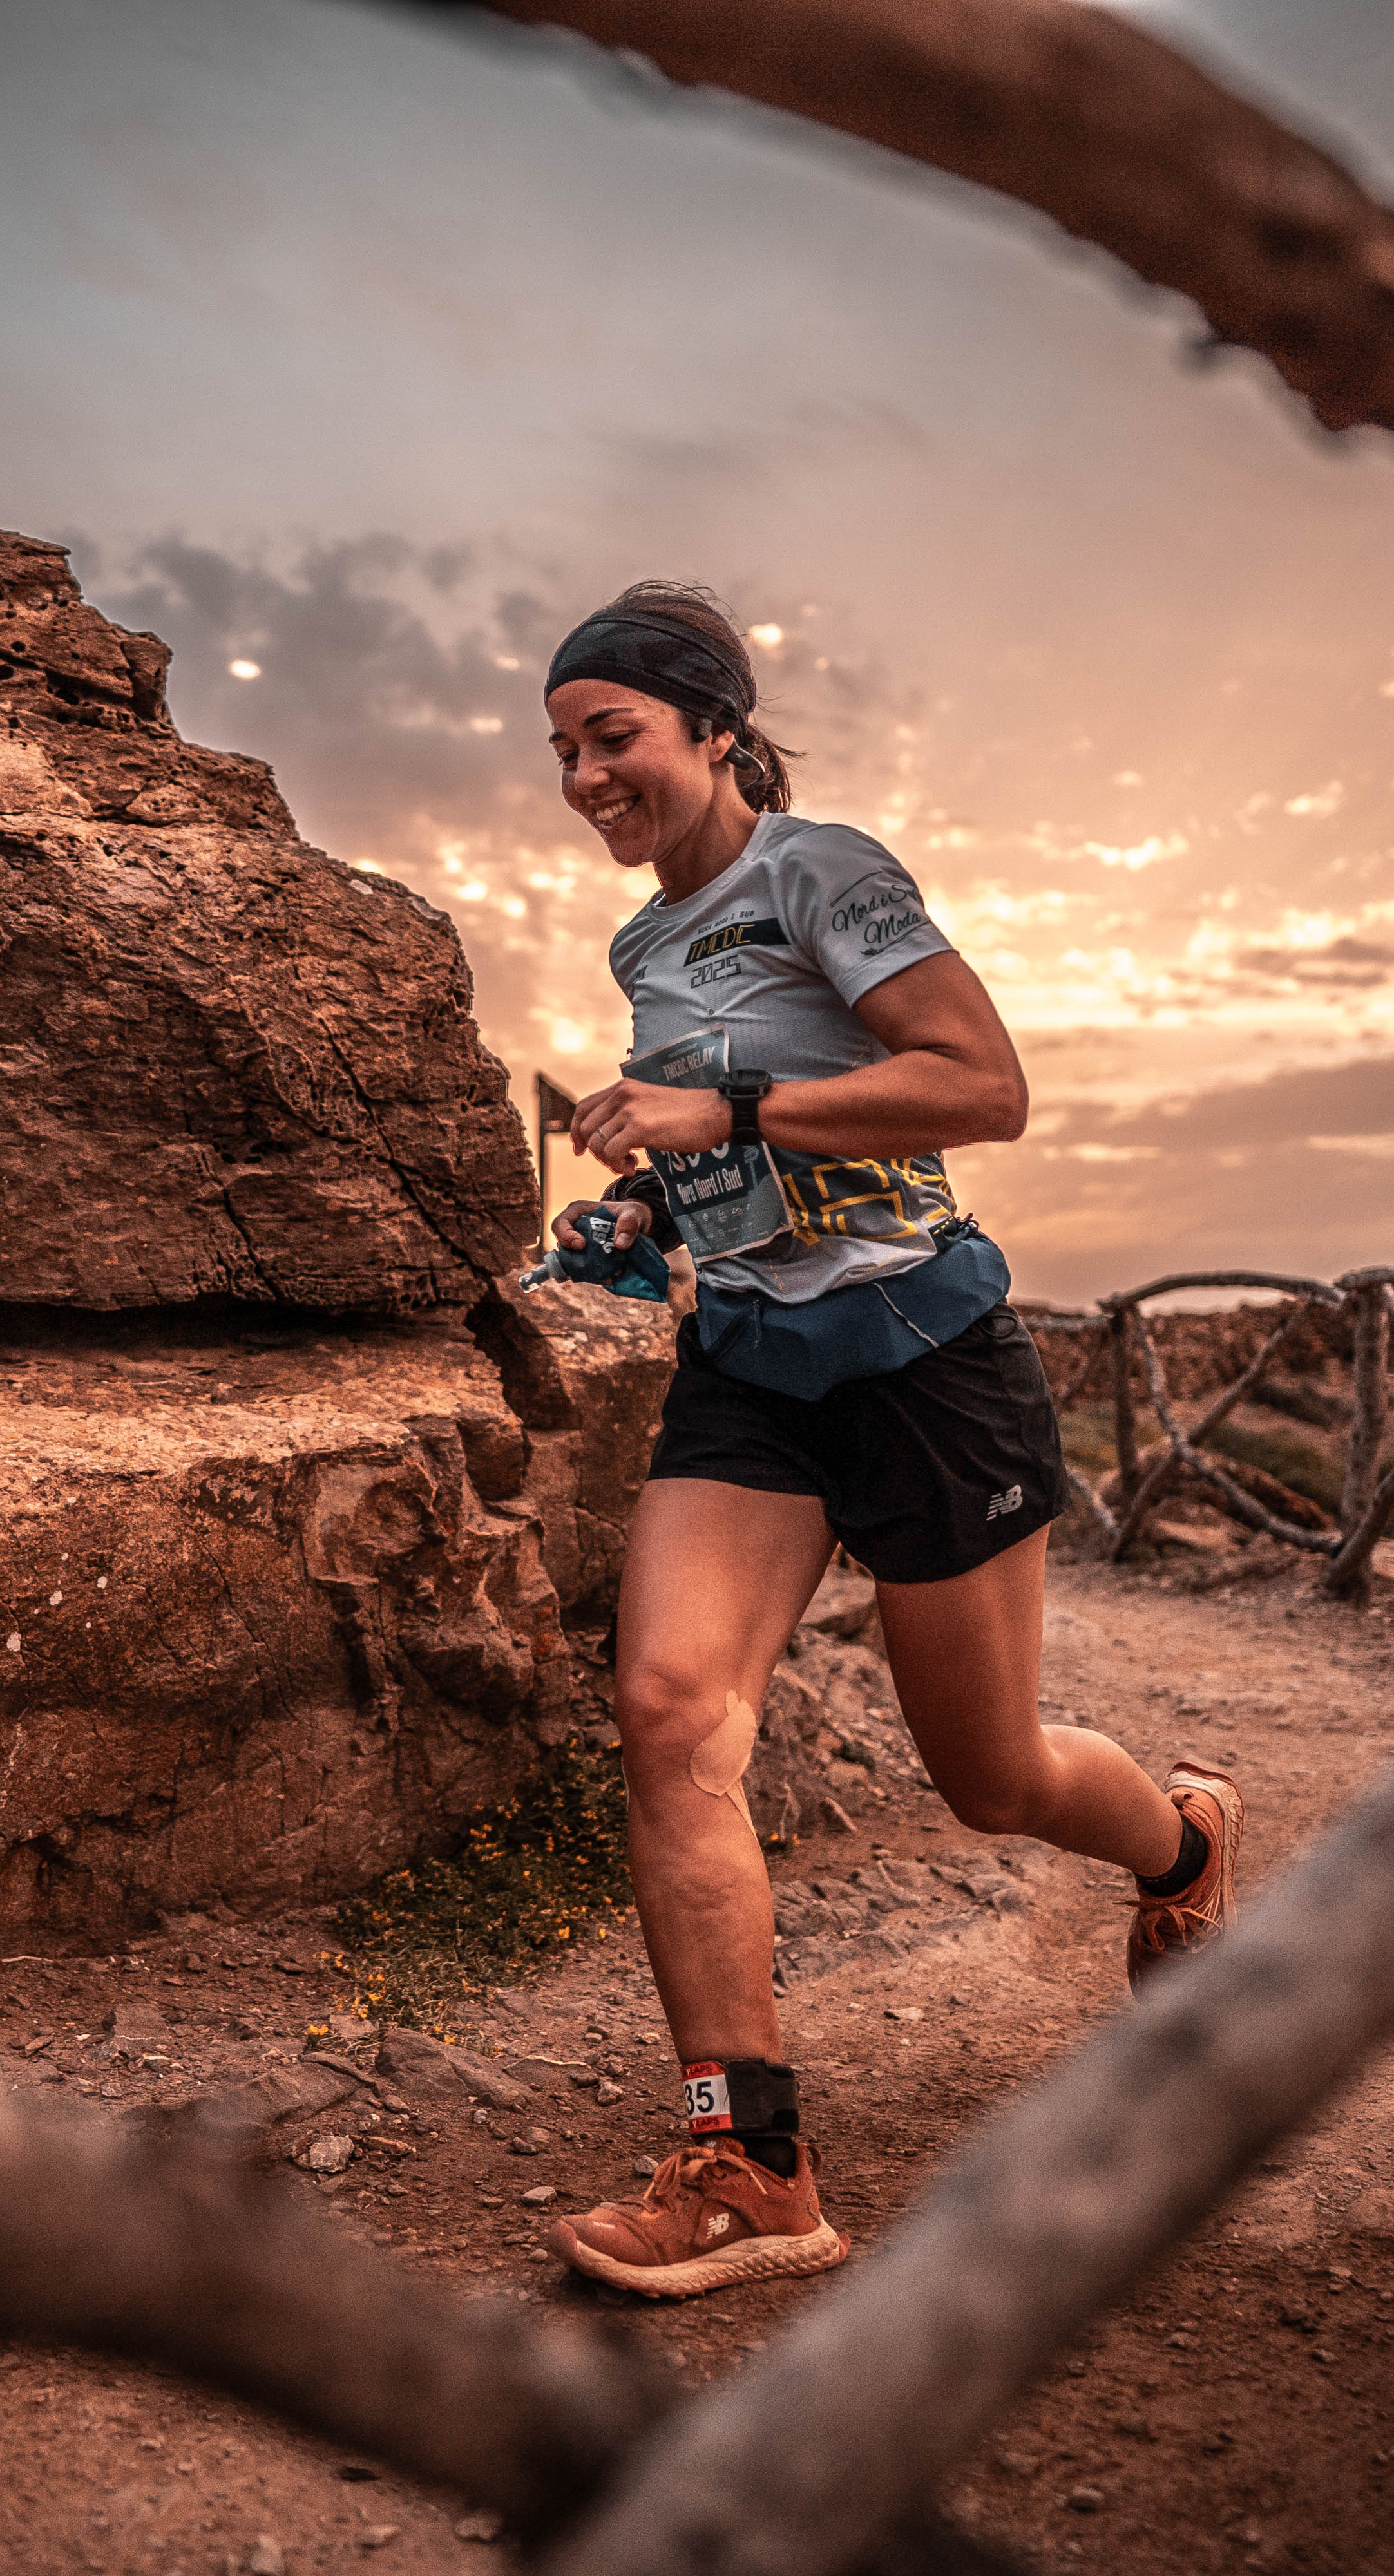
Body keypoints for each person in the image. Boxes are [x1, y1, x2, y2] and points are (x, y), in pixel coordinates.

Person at [530, 582, 1238, 2301]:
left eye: (610, 737)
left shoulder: (823, 872)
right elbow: (735, 1166)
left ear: (712, 728)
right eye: (560, 751)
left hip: (926, 1356)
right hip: (756, 1367)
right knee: (669, 1708)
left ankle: (1187, 1841)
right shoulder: (644, 948)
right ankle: (751, 2162)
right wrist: (650, 1213)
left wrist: (736, 1107)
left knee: (990, 1781)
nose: (583, 778)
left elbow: (979, 1085)